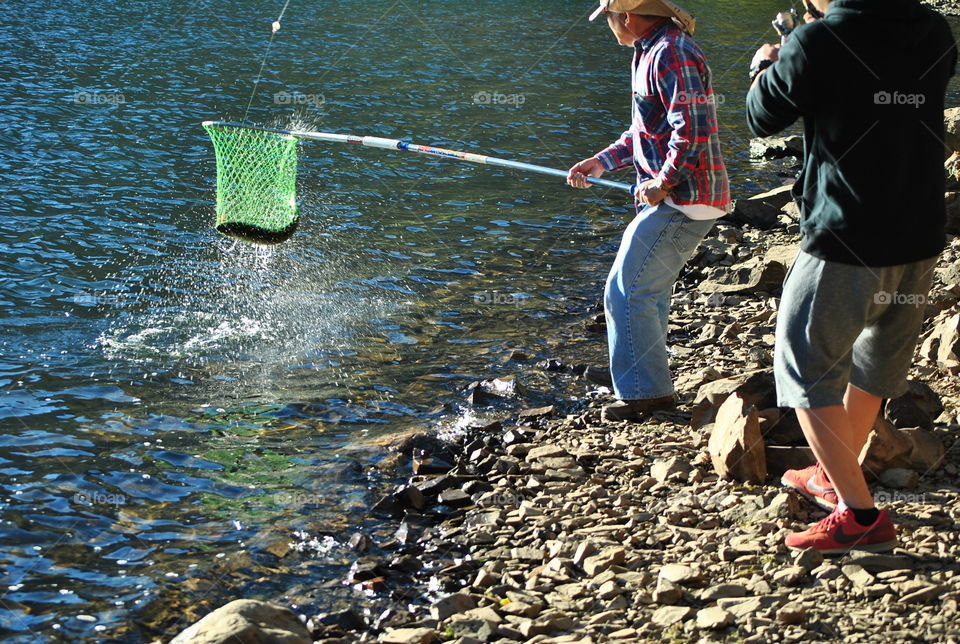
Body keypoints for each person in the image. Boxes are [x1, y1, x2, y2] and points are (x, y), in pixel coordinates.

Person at [747, 0, 956, 552]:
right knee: (872, 362)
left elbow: (761, 117)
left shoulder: (817, 42)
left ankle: (861, 517)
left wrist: (768, 64)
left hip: (846, 237)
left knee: (804, 367)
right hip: (919, 232)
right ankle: (829, 475)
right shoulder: (934, 29)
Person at [568, 0, 730, 422]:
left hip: (684, 197)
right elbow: (644, 132)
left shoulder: (670, 51)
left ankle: (644, 395)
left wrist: (663, 182)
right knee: (645, 291)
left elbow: (692, 128)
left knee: (626, 290)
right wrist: (600, 162)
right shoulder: (651, 50)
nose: (608, 27)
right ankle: (652, 390)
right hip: (679, 195)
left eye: (607, 19)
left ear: (625, 17)